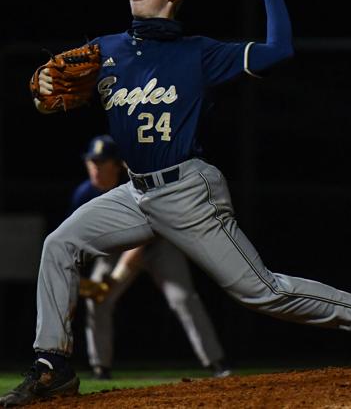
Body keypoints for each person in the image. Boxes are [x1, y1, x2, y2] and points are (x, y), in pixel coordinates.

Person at [0, 0, 351, 407]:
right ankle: (53, 365)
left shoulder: (198, 53)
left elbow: (279, 50)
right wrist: (44, 89)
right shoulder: (107, 49)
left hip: (188, 191)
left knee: (259, 291)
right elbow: (52, 93)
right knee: (59, 244)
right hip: (133, 193)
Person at [72, 134, 231, 380]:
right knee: (96, 302)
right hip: (115, 250)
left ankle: (216, 363)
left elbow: (148, 235)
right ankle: (100, 368)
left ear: (117, 164)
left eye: (101, 162)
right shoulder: (84, 193)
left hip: (158, 244)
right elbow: (79, 242)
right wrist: (80, 281)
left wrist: (114, 278)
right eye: (91, 162)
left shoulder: (141, 183)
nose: (95, 167)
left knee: (183, 299)